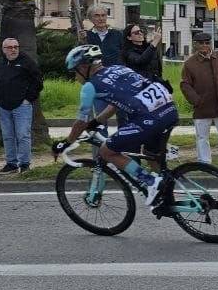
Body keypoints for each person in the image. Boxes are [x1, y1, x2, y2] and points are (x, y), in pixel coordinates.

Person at [57, 45, 178, 206]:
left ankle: (150, 182)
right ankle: (167, 197)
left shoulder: (90, 86)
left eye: (74, 72)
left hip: (148, 119)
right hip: (169, 111)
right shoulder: (119, 69)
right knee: (151, 153)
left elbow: (80, 122)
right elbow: (115, 104)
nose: (75, 77)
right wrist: (97, 122)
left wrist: (66, 143)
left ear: (83, 67)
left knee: (107, 151)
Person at [179, 31, 218, 169]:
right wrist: (196, 101)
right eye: (201, 43)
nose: (205, 45)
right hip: (202, 107)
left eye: (207, 42)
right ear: (195, 45)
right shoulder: (189, 64)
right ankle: (204, 163)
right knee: (202, 137)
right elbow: (185, 85)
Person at [0, 37, 42, 174]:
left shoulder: (27, 62)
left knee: (23, 135)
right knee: (7, 136)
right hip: (3, 106)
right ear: (3, 49)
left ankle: (24, 164)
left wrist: (28, 99)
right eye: (10, 47)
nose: (13, 50)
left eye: (16, 47)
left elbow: (37, 82)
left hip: (22, 106)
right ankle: (11, 164)